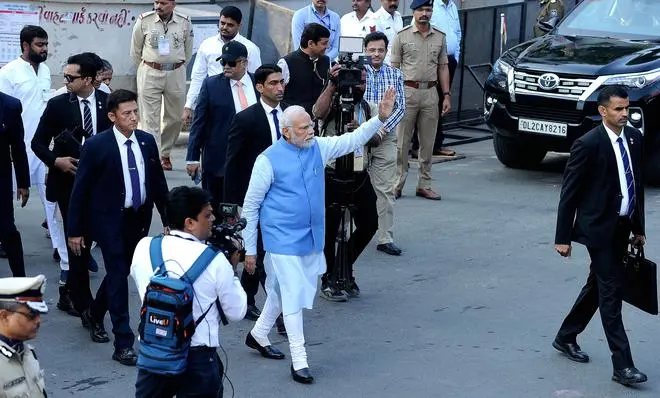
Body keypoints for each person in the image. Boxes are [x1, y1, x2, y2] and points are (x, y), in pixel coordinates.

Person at [242, 88, 396, 383]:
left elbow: (351, 140)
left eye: (311, 126)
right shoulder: (268, 160)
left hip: (311, 237)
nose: (310, 131)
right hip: (280, 239)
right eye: (304, 128)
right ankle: (299, 359)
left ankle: (258, 334)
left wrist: (379, 118)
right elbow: (250, 206)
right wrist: (250, 250)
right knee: (292, 294)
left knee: (281, 290)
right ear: (287, 133)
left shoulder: (317, 147)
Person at [553, 86, 647, 386]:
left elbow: (637, 185)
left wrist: (639, 228)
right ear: (602, 111)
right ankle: (623, 365)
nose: (624, 114)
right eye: (618, 109)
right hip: (598, 230)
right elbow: (570, 193)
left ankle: (566, 335)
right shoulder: (588, 144)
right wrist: (563, 237)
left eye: (626, 108)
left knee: (597, 284)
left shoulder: (634, 138)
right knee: (610, 294)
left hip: (622, 227)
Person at [68, 89, 169, 366]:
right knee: (117, 274)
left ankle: (93, 312)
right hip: (108, 220)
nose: (134, 117)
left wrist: (169, 221)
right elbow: (81, 190)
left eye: (135, 111)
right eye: (127, 113)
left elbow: (159, 186)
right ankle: (123, 342)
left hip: (138, 219)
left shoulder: (147, 142)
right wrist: (75, 230)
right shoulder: (97, 145)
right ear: (112, 116)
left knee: (120, 272)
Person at [131, 186, 247, 398]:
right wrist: (232, 268)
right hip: (198, 358)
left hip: (154, 351)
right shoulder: (215, 260)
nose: (213, 219)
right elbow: (236, 311)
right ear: (190, 223)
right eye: (207, 215)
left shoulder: (145, 247)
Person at [32, 53, 112, 318]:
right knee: (77, 241)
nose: (65, 81)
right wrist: (57, 161)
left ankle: (68, 291)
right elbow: (38, 143)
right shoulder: (57, 105)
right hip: (69, 185)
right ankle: (83, 303)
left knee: (97, 240)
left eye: (71, 77)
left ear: (88, 79)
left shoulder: (107, 102)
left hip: (103, 185)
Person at [223, 64, 287, 330]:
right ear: (259, 87)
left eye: (281, 82)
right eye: (273, 83)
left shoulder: (290, 115)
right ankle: (280, 314)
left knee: (268, 252)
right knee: (260, 250)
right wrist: (230, 206)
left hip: (283, 197)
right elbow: (233, 163)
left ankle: (248, 298)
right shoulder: (246, 118)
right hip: (255, 197)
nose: (279, 88)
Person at [0, 25, 67, 276]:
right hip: (16, 149)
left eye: (46, 44)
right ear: (26, 45)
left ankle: (63, 254)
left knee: (53, 201)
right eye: (40, 45)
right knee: (7, 205)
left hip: (44, 147)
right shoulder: (8, 73)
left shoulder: (47, 70)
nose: (45, 49)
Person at [312, 66, 379, 302]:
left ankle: (345, 267)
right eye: (350, 80)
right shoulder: (333, 102)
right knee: (329, 232)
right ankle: (329, 279)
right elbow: (317, 113)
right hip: (331, 175)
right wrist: (332, 84)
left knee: (370, 224)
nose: (355, 85)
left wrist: (362, 131)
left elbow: (379, 137)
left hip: (359, 174)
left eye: (361, 81)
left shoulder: (368, 107)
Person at [186, 41, 258, 214]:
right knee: (218, 211)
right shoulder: (211, 85)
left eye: (231, 63)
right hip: (219, 160)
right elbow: (199, 123)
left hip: (253, 158)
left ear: (244, 63)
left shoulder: (258, 83)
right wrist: (192, 157)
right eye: (223, 62)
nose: (226, 66)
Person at [391, 0, 451, 201]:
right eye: (421, 10)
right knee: (402, 142)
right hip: (407, 91)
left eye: (428, 10)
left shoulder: (440, 37)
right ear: (414, 12)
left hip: (431, 93)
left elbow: (443, 67)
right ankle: (397, 184)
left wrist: (447, 95)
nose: (425, 13)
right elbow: (394, 68)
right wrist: (395, 95)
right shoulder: (402, 36)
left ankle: (424, 184)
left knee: (427, 142)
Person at [131, 0, 193, 171]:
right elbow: (135, 50)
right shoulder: (144, 20)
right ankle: (154, 157)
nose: (158, 6)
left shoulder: (185, 21)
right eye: (156, 2)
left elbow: (188, 50)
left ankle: (165, 152)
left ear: (173, 4)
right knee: (149, 119)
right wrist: (149, 66)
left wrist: (175, 65)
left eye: (163, 3)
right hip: (150, 71)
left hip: (176, 72)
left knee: (175, 117)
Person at [362, 31, 405, 256]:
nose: (376, 54)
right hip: (358, 133)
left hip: (385, 136)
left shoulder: (395, 74)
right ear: (364, 50)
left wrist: (381, 131)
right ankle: (349, 231)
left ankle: (385, 237)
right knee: (353, 184)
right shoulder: (357, 73)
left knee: (386, 188)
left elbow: (400, 108)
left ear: (386, 51)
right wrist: (364, 131)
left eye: (380, 50)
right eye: (372, 50)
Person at [184, 6, 262, 123]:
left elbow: (256, 79)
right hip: (212, 99)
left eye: (230, 25)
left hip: (240, 102)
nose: (224, 27)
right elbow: (198, 77)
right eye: (222, 23)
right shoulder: (207, 45)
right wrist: (189, 105)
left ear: (239, 25)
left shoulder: (250, 49)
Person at [0, 275, 48, 397]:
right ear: (4, 316)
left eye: (39, 314)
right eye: (31, 315)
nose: (38, 321)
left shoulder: (26, 352)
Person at [0, 91, 29, 277]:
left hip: (0, 180)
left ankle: (21, 282)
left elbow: (18, 146)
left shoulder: (9, 105)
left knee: (7, 230)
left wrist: (23, 182)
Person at [277, 23, 331, 117]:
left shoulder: (326, 61)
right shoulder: (286, 62)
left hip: (320, 122)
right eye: (324, 43)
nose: (328, 46)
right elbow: (277, 94)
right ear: (310, 43)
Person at [429, 0, 461, 157]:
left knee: (442, 102)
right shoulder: (431, 6)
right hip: (433, 62)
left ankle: (436, 144)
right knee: (430, 102)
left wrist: (456, 56)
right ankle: (421, 145)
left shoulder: (453, 7)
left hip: (449, 61)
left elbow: (457, 33)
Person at [373, 0, 404, 65]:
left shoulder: (398, 16)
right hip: (386, 63)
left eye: (395, 0)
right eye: (389, 0)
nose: (393, 3)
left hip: (400, 61)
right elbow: (377, 47)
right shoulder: (376, 19)